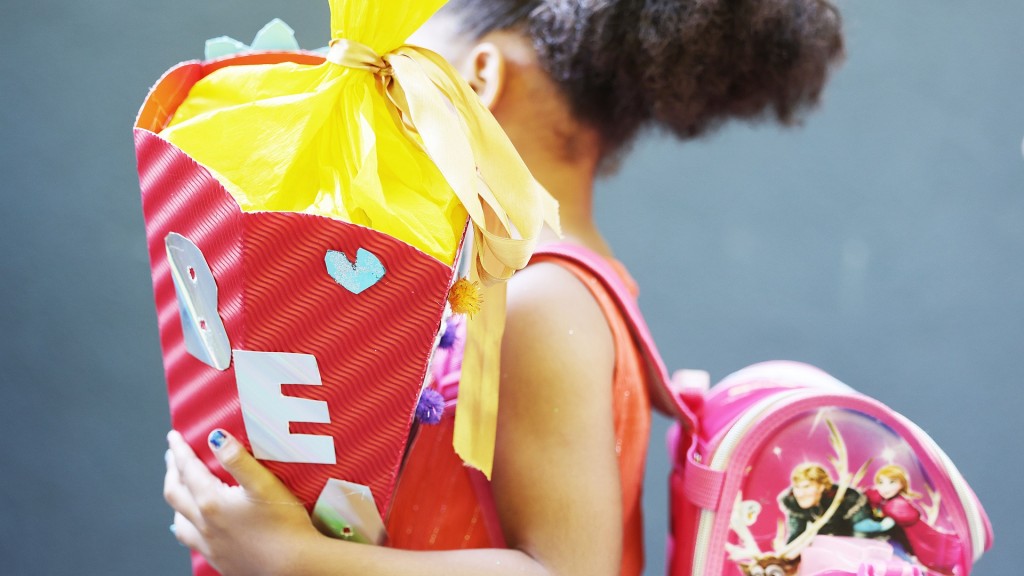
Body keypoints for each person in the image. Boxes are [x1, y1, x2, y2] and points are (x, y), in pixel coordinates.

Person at [163, 1, 845, 575]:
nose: (376, 103)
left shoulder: (539, 299)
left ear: (482, 77)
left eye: (396, 77)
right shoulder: (521, 286)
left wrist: (293, 557)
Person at [863, 464, 964, 574]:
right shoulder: (885, 501)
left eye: (892, 482)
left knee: (908, 565)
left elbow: (900, 515)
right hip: (895, 541)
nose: (885, 488)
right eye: (881, 483)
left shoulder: (897, 505)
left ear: (901, 484)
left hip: (908, 544)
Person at [778, 463, 869, 542]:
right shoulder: (793, 502)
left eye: (806, 487)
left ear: (821, 487)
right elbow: (796, 535)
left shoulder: (849, 499)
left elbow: (863, 535)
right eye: (797, 487)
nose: (800, 494)